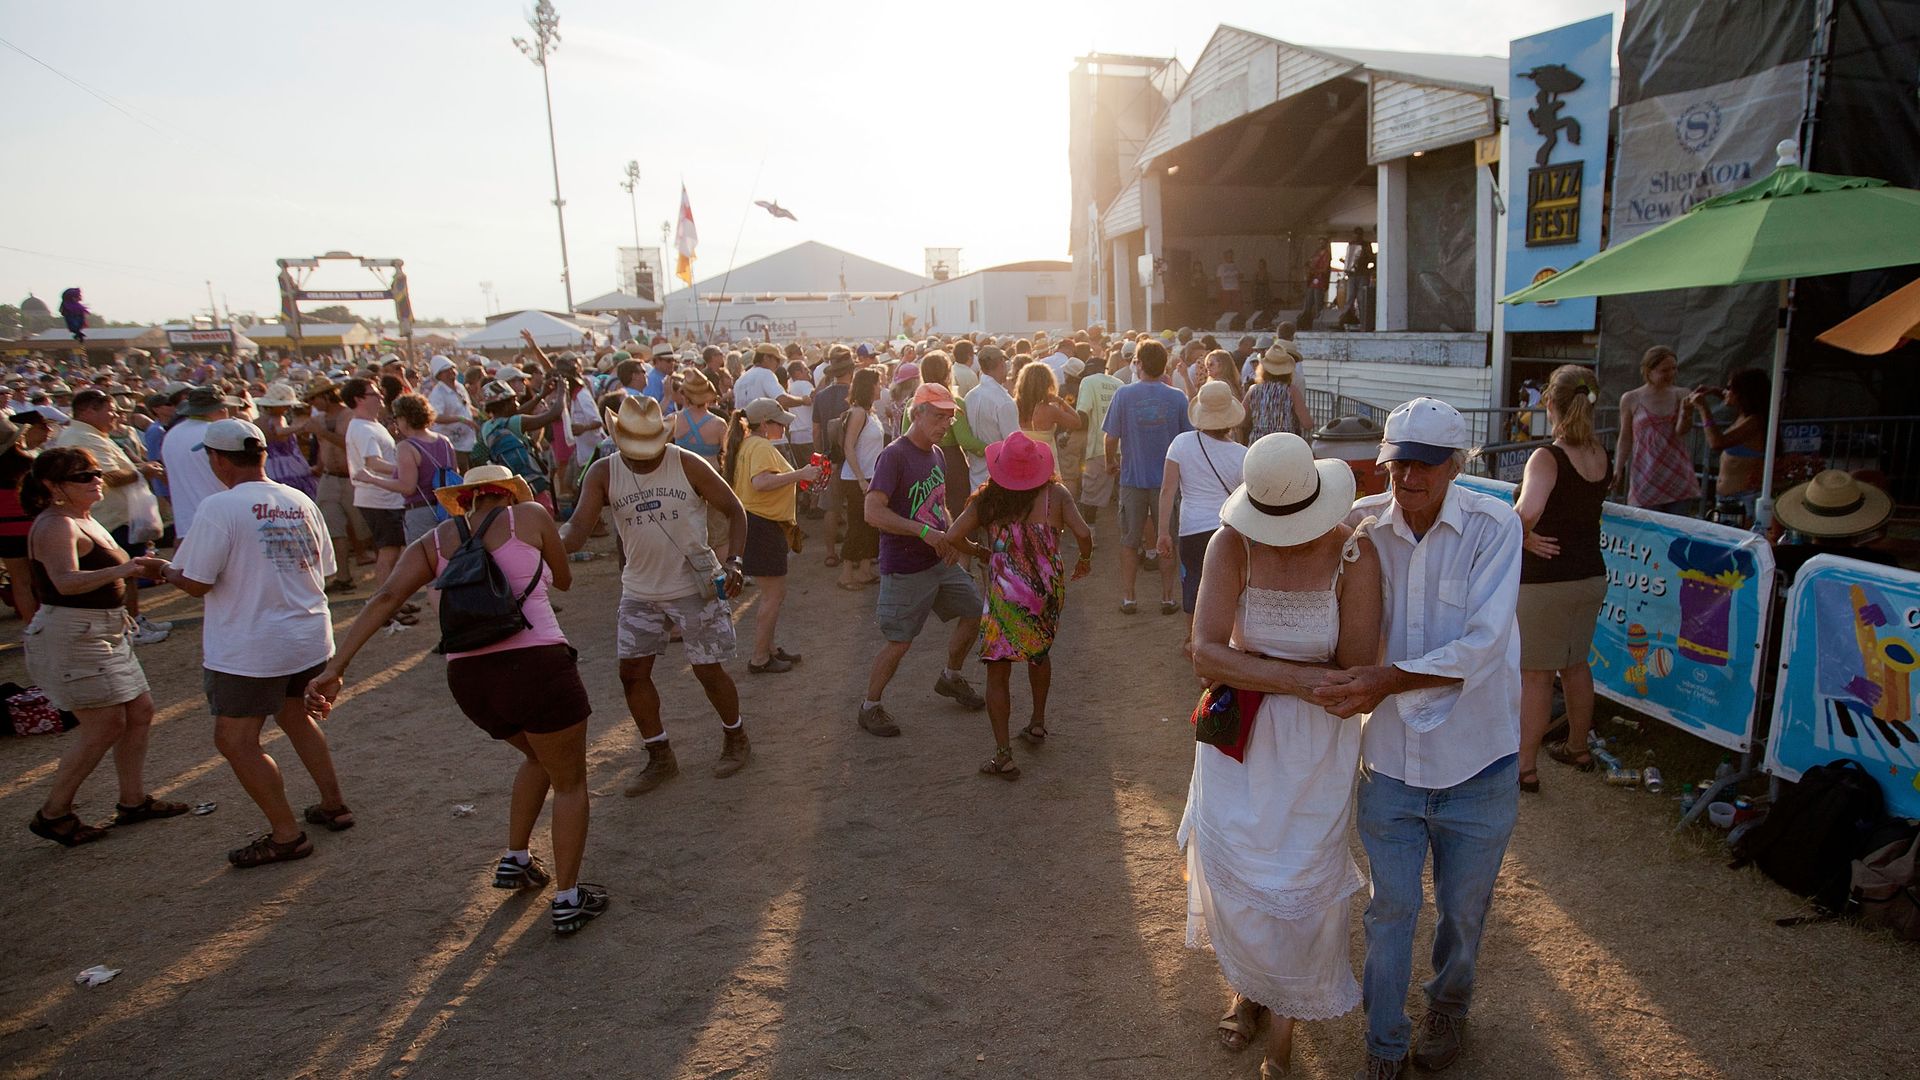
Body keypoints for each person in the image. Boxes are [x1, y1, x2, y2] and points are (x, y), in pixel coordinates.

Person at [307, 464, 607, 933]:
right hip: (537, 667)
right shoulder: (529, 516)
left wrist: (335, 668)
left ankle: (516, 858)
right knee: (569, 781)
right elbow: (563, 579)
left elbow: (386, 596)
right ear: (507, 493)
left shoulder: (433, 541)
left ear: (464, 500)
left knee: (538, 759)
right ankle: (568, 899)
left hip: (470, 679)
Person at [1320, 397, 1522, 1078]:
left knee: (1463, 915)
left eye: (1425, 465)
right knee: (1390, 910)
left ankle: (1449, 1007)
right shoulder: (1365, 532)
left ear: (1455, 466)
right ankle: (1382, 1045)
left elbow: (1484, 645)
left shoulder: (1495, 528)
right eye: (1399, 463)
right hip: (1392, 766)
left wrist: (1385, 680)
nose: (1409, 478)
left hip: (1478, 762)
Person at [1182, 432, 1380, 1079]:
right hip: (1242, 743)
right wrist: (1295, 679)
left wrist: (1268, 671)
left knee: (1301, 878)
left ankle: (1285, 1024)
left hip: (1317, 748)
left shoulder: (1355, 552)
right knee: (1241, 874)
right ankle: (1251, 990)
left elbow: (1356, 668)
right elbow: (1204, 653)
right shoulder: (1230, 544)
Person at [151, 419, 351, 866]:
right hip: (307, 633)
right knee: (296, 716)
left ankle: (286, 835)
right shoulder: (298, 498)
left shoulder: (218, 506)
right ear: (261, 454)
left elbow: (196, 583)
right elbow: (327, 568)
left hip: (252, 644)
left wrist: (162, 570)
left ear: (218, 459)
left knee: (236, 740)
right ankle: (333, 804)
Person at [563, 395, 752, 794]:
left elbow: (735, 509)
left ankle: (736, 738)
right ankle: (659, 754)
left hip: (693, 587)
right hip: (639, 590)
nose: (643, 458)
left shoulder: (686, 463)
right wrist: (533, 535)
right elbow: (577, 531)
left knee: (708, 670)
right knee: (631, 674)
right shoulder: (603, 472)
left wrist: (734, 561)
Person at [21, 448, 183, 847]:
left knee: (139, 711)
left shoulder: (82, 518)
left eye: (96, 472)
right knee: (104, 724)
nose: (96, 479)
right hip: (74, 634)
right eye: (83, 476)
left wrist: (134, 569)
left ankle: (132, 800)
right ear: (52, 486)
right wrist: (124, 569)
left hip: (103, 631)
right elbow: (64, 582)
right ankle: (54, 812)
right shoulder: (56, 525)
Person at [944, 432, 1092, 777]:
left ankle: (1003, 754)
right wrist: (1084, 560)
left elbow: (952, 536)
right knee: (1039, 654)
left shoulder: (988, 500)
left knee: (999, 668)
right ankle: (1037, 723)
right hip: (1045, 590)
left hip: (1005, 591)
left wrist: (982, 552)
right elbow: (1084, 533)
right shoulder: (1056, 494)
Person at [856, 383, 987, 736]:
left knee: (975, 611)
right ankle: (870, 706)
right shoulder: (895, 455)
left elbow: (939, 503)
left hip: (937, 562)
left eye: (950, 417)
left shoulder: (937, 454)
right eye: (937, 415)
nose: (944, 424)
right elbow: (872, 511)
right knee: (900, 641)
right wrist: (923, 532)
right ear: (916, 414)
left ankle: (951, 677)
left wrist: (949, 535)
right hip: (904, 567)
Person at [1513, 366, 1611, 792]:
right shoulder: (1599, 453)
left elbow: (1525, 513)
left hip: (1545, 582)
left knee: (1535, 676)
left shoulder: (1547, 457)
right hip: (1590, 574)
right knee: (1575, 666)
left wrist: (1525, 536)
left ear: (1548, 402)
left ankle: (1524, 768)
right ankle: (1578, 748)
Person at [54, 389, 170, 643]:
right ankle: (127, 626)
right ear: (88, 411)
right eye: (110, 410)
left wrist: (139, 469)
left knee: (128, 569)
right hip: (108, 517)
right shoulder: (81, 437)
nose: (115, 415)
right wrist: (143, 471)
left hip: (114, 515)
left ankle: (133, 620)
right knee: (121, 572)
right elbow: (107, 476)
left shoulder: (91, 434)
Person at [725, 397, 825, 673]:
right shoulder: (759, 446)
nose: (783, 427)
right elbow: (761, 483)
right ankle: (759, 657)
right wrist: (799, 474)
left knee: (771, 593)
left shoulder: (749, 444)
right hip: (763, 524)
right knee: (773, 595)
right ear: (765, 423)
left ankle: (768, 648)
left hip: (756, 523)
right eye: (779, 422)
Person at [1103, 338, 1190, 615]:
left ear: (1138, 363)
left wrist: (1110, 463)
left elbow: (1110, 438)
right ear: (1164, 365)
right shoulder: (1177, 397)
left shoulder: (1124, 395)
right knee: (1167, 540)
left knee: (1129, 541)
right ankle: (1166, 597)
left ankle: (1129, 598)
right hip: (1167, 482)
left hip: (1133, 479)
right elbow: (1186, 439)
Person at [1158, 381, 1249, 626]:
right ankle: (1225, 640)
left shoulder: (1181, 443)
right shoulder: (1242, 454)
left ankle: (1192, 639)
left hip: (1192, 528)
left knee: (1193, 585)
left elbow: (1168, 490)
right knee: (1230, 587)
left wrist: (1162, 532)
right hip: (1229, 528)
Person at [340, 378, 413, 623]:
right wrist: (405, 469)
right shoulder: (362, 427)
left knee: (394, 552)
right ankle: (386, 608)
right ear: (359, 399)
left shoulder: (370, 425)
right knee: (388, 552)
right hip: (378, 498)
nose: (380, 396)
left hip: (386, 496)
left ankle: (394, 600)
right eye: (373, 393)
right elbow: (373, 463)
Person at [350, 392, 457, 546]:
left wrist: (371, 479)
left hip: (421, 512)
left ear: (404, 419)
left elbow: (407, 487)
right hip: (447, 510)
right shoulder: (444, 441)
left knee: (426, 563)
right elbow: (454, 473)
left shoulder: (407, 447)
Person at [1613, 345, 1699, 514]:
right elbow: (1625, 436)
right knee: (1645, 528)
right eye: (1664, 370)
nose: (1671, 374)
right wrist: (1618, 467)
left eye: (1674, 369)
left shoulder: (1681, 394)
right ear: (1649, 371)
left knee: (1677, 530)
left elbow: (1682, 431)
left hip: (1676, 472)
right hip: (1646, 473)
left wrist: (1687, 412)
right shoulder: (1631, 398)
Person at [299, 377, 365, 594]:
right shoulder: (320, 418)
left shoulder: (349, 415)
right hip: (329, 478)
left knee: (363, 528)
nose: (313, 403)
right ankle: (343, 576)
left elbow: (348, 443)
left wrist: (321, 432)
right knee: (332, 526)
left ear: (327, 395)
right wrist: (319, 466)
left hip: (351, 478)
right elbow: (322, 446)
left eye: (315, 398)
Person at [1686, 367, 1769, 525]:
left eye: (1730, 388)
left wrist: (1703, 408)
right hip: (1727, 499)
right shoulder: (1743, 415)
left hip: (1744, 500)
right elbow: (1727, 396)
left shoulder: (1755, 421)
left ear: (1743, 393)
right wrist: (1713, 391)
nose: (1726, 391)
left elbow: (1717, 443)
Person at [159, 386, 234, 538]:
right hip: (220, 521)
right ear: (221, 409)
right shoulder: (217, 432)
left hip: (186, 523)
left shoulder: (172, 434)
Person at [837, 367, 885, 589]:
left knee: (870, 526)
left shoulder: (870, 413)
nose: (881, 386)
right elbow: (849, 447)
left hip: (870, 476)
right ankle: (846, 575)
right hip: (858, 478)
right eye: (878, 383)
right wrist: (860, 479)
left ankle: (865, 571)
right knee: (856, 525)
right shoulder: (858, 413)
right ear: (869, 386)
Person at [963, 346, 1019, 489]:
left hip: (975, 477)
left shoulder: (970, 396)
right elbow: (1014, 445)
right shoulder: (1004, 401)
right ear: (1001, 363)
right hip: (1000, 478)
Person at [0, 417, 37, 623]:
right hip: (33, 525)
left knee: (20, 582)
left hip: (5, 531)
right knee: (42, 579)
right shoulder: (30, 463)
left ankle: (31, 627)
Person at [253, 383, 319, 499]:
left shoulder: (258, 420)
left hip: (268, 462)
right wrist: (302, 427)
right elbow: (280, 431)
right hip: (285, 463)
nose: (288, 408)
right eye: (285, 405)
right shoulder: (278, 418)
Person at [1244, 342, 1313, 441]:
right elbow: (1307, 423)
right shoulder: (1291, 391)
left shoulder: (1253, 390)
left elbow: (1241, 420)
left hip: (1258, 444)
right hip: (1284, 443)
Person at [426, 355, 480, 469]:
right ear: (439, 375)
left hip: (467, 440)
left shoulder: (460, 387)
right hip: (452, 443)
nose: (451, 372)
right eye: (446, 371)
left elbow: (467, 406)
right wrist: (462, 420)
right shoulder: (437, 393)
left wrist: (482, 414)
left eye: (452, 369)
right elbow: (436, 417)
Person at [1014, 362, 1082, 447]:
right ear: (1048, 383)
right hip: (1045, 456)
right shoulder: (1050, 410)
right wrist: (1061, 401)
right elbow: (1077, 422)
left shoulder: (1013, 406)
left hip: (1019, 455)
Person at [1217, 248, 1242, 315]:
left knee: (1236, 308)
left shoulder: (1236, 265)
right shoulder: (1221, 266)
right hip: (1225, 290)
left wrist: (1239, 289)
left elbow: (1239, 277)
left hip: (1235, 289)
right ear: (1225, 257)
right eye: (1228, 255)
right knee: (1225, 308)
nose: (1229, 257)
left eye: (1231, 255)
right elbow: (1218, 279)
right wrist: (1220, 290)